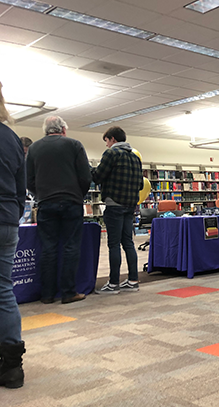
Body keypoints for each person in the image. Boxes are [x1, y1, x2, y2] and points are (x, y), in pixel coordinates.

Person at [26, 116, 91, 304]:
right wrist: (78, 195)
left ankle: (47, 294)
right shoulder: (74, 145)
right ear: (63, 129)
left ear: (46, 130)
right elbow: (85, 177)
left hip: (46, 204)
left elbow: (28, 180)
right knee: (71, 247)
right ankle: (69, 292)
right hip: (71, 202)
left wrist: (41, 195)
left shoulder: (34, 149)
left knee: (48, 248)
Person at [92, 126, 143, 294]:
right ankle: (133, 280)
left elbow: (98, 176)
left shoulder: (111, 154)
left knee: (113, 244)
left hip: (114, 204)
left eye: (106, 141)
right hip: (130, 206)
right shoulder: (135, 157)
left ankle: (114, 283)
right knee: (128, 243)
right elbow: (141, 184)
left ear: (112, 139)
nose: (106, 145)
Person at [0, 82, 26, 388]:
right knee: (4, 290)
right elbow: (21, 191)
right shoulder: (11, 137)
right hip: (6, 219)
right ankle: (12, 367)